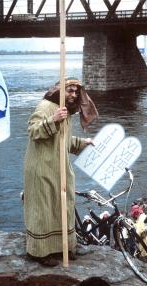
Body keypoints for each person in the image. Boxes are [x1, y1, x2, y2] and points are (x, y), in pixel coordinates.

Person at [23, 78, 98, 266]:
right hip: (41, 167)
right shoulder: (45, 107)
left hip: (60, 168)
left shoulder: (67, 112)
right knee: (44, 209)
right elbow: (33, 132)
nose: (73, 95)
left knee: (63, 206)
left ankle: (63, 247)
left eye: (75, 92)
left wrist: (83, 142)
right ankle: (39, 252)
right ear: (59, 90)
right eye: (69, 91)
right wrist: (53, 119)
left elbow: (63, 141)